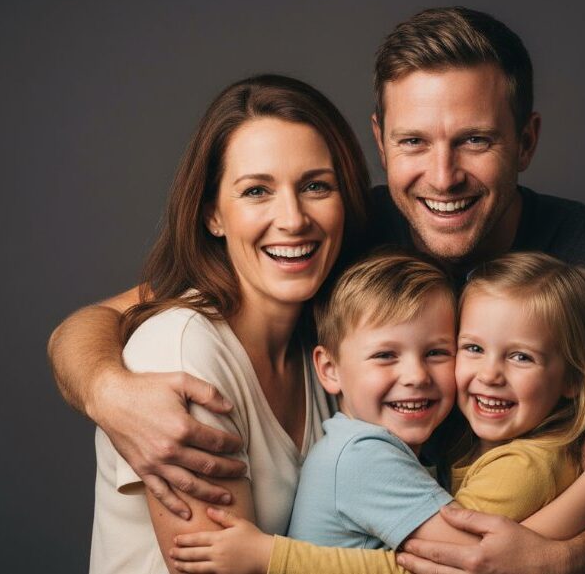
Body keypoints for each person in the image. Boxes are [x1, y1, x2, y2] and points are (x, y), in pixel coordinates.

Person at [49, 6, 585, 573]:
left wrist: (563, 560)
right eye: (414, 141)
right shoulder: (337, 232)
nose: (443, 177)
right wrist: (110, 391)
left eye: (475, 140)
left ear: (525, 141)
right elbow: (104, 320)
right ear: (382, 143)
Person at [165, 250, 585, 574]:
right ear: (329, 369)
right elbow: (479, 559)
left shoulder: (380, 447)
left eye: (438, 352)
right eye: (386, 356)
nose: (416, 376)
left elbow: (482, 562)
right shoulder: (366, 456)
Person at [88, 73, 372, 573]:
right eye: (257, 191)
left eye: (316, 186)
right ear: (212, 215)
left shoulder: (326, 346)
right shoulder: (181, 352)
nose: (293, 218)